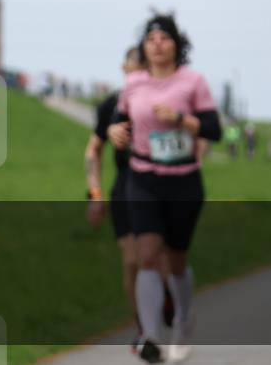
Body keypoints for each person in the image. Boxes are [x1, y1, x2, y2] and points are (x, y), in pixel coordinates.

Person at [107, 13, 223, 363]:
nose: (157, 43)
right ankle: (152, 335)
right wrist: (115, 132)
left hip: (184, 180)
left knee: (176, 262)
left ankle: (184, 320)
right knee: (146, 255)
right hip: (143, 177)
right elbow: (118, 119)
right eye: (151, 38)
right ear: (144, 47)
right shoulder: (134, 84)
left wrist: (181, 119)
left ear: (177, 44)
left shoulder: (193, 81)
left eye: (165, 38)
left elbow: (213, 129)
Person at [85, 47, 174, 349]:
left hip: (160, 184)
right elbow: (92, 152)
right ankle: (144, 332)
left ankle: (167, 297)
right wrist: (95, 196)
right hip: (126, 187)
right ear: (123, 69)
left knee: (158, 258)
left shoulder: (163, 101)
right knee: (132, 262)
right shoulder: (111, 105)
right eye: (132, 70)